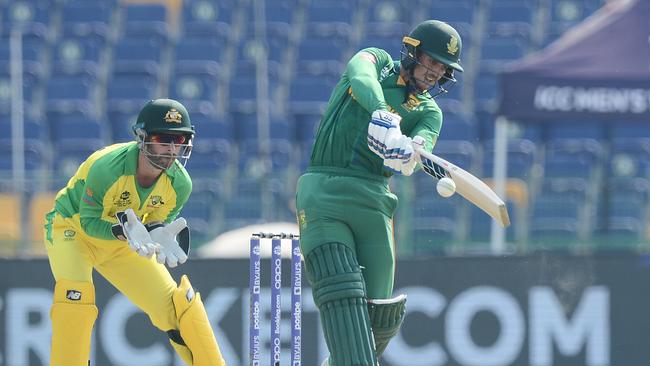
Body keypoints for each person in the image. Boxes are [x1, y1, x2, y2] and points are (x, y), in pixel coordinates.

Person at [294, 20, 464, 365]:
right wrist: (383, 115)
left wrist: (409, 155)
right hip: (324, 189)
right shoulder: (377, 60)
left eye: (442, 67)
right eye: (430, 61)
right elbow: (360, 77)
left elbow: (423, 148)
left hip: (374, 200)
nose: (434, 72)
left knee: (380, 317)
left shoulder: (430, 111)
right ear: (412, 52)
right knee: (341, 290)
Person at [44, 98, 227, 365]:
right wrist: (125, 233)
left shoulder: (180, 185)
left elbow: (153, 221)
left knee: (176, 307)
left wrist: (157, 231)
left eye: (180, 140)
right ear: (142, 138)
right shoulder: (106, 167)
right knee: (76, 299)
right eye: (163, 138)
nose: (172, 149)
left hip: (126, 242)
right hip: (72, 231)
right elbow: (89, 223)